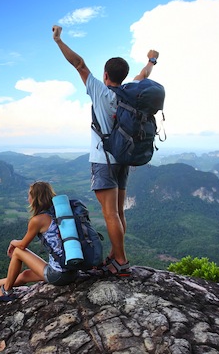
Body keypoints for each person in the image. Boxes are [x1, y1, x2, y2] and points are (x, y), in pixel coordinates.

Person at [52, 25, 159, 277]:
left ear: (105, 74)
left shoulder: (100, 92)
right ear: (124, 75)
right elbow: (143, 75)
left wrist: (58, 40)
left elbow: (78, 63)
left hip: (104, 161)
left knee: (109, 213)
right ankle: (115, 254)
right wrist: (152, 60)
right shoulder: (129, 94)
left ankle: (120, 261)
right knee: (119, 212)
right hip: (123, 159)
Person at [0, 181, 78, 301]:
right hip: (72, 271)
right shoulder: (60, 214)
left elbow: (22, 245)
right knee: (25, 275)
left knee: (17, 252)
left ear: (35, 198)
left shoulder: (38, 220)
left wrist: (12, 242)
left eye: (29, 196)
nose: (28, 199)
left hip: (59, 275)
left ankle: (5, 292)